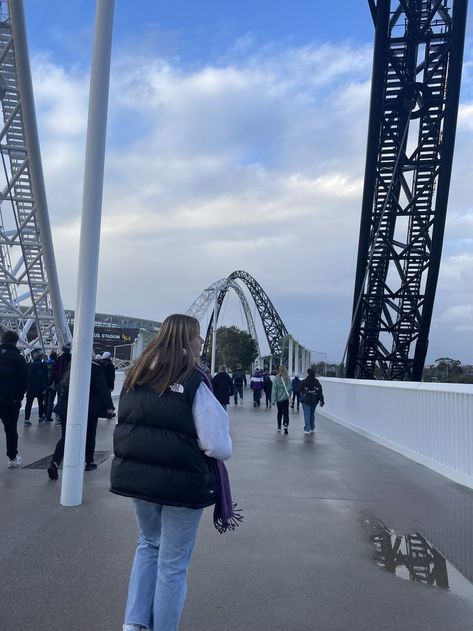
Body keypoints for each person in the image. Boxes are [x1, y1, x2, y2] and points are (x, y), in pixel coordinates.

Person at [110, 314, 232, 631]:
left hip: (138, 480)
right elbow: (218, 445)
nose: (202, 342)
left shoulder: (134, 376)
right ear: (185, 340)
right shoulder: (193, 380)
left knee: (148, 545)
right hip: (182, 484)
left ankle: (134, 624)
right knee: (173, 563)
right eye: (198, 336)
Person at [47, 357, 113, 480]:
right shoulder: (95, 368)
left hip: (66, 406)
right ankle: (89, 462)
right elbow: (102, 389)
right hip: (88, 407)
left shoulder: (73, 364)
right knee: (90, 434)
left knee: (66, 436)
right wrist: (109, 407)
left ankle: (54, 463)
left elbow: (62, 384)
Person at [0, 330, 27, 467]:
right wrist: (18, 397)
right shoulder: (18, 358)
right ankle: (12, 458)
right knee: (10, 430)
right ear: (16, 342)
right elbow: (23, 381)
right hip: (10, 402)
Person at [24, 349, 48, 426]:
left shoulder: (29, 365)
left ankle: (26, 420)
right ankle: (41, 417)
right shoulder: (43, 365)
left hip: (30, 388)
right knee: (40, 403)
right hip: (40, 388)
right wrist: (45, 388)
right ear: (41, 357)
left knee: (28, 404)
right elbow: (45, 378)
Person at [51, 342, 72, 425]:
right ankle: (64, 416)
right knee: (65, 399)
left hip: (58, 382)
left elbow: (53, 372)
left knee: (59, 399)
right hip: (68, 383)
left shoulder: (58, 359)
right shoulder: (72, 359)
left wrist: (50, 383)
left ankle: (58, 417)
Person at [299, 368, 325, 434]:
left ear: (308, 374)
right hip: (314, 400)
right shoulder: (316, 382)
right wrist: (321, 400)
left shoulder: (304, 381)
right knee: (312, 414)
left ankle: (307, 428)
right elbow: (320, 392)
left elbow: (298, 389)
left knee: (306, 414)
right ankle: (312, 427)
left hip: (306, 400)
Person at [271, 365, 292, 434]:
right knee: (286, 412)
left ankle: (279, 426)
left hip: (278, 399)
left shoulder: (276, 378)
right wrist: (288, 395)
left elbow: (274, 389)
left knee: (279, 412)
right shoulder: (288, 378)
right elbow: (289, 389)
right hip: (285, 398)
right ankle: (285, 425)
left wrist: (273, 400)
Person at [43, 351, 58, 422]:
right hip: (52, 385)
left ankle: (44, 414)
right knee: (50, 401)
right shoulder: (56, 364)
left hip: (45, 384)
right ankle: (48, 416)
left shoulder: (45, 363)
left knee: (45, 400)